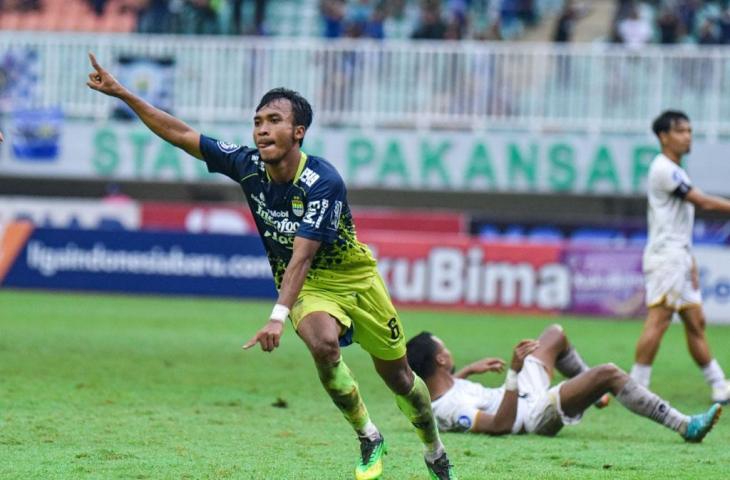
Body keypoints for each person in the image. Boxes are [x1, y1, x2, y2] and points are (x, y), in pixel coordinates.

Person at [85, 53, 455, 480]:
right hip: (308, 286)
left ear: (298, 132)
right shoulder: (247, 166)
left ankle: (434, 452)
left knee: (400, 377)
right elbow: (182, 134)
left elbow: (303, 253)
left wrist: (276, 317)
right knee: (322, 344)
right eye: (258, 120)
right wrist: (123, 94)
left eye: (274, 120)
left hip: (355, 278)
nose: (262, 129)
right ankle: (368, 435)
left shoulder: (324, 182)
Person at [406, 324, 722, 441]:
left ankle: (590, 391)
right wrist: (514, 372)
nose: (449, 351)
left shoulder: (444, 389)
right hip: (530, 416)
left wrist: (469, 371)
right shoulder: (448, 409)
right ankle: (684, 425)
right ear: (441, 360)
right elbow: (500, 425)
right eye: (444, 347)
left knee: (554, 335)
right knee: (609, 372)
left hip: (516, 395)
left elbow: (446, 391)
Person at [629, 110, 730, 404]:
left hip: (680, 256)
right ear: (664, 137)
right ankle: (636, 387)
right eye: (681, 131)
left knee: (695, 321)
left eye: (689, 130)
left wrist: (691, 260)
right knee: (659, 319)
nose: (688, 136)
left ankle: (718, 384)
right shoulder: (664, 168)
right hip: (666, 257)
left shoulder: (676, 169)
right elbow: (701, 201)